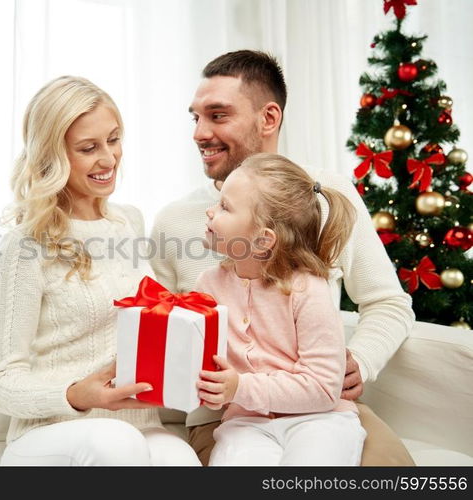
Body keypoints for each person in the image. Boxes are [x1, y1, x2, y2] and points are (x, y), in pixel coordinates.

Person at [150, 50, 416, 465]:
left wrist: (359, 362)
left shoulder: (327, 195)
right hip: (226, 416)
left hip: (319, 406)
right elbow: (161, 332)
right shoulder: (175, 220)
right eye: (195, 118)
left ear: (268, 118)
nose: (200, 133)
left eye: (217, 116)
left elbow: (389, 302)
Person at [0, 76, 200, 466]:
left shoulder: (129, 223)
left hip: (136, 424)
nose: (109, 159)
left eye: (114, 140)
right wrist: (74, 395)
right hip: (49, 433)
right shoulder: (27, 245)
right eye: (88, 148)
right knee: (116, 443)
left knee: (179, 457)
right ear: (53, 156)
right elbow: (0, 383)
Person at [195, 153, 366, 465]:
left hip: (319, 419)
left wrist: (240, 386)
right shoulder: (207, 286)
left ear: (262, 241)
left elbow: (324, 388)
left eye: (225, 207)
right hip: (245, 423)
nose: (210, 211)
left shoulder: (308, 289)